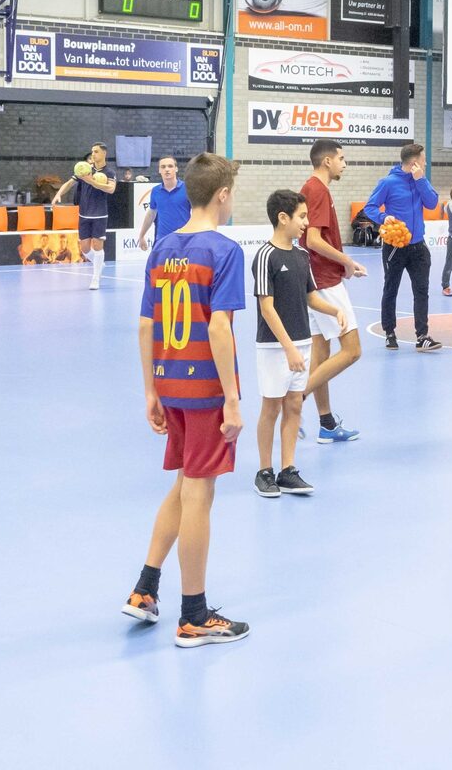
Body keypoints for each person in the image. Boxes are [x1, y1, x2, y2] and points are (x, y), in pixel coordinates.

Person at [123, 153, 249, 648]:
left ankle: (144, 588)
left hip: (169, 382)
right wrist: (232, 398)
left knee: (182, 485)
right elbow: (219, 328)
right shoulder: (224, 251)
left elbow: (145, 324)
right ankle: (193, 615)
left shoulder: (163, 249)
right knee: (199, 493)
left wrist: (150, 390)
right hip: (205, 390)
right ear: (222, 195)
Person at [251, 190, 348, 499]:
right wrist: (288, 348)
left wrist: (334, 310)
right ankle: (264, 471)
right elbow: (267, 308)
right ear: (283, 218)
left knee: (294, 405)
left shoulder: (302, 256)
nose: (306, 222)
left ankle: (287, 470)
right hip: (274, 347)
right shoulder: (265, 256)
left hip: (302, 342)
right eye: (302, 217)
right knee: (271, 407)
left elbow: (310, 297)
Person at [299, 140, 365, 444]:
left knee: (321, 354)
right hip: (324, 281)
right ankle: (296, 398)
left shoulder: (313, 188)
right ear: (327, 161)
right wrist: (346, 261)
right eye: (341, 158)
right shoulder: (318, 190)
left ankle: (326, 423)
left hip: (316, 278)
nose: (344, 164)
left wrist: (344, 264)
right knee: (352, 351)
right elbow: (313, 240)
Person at [362, 143, 442, 353]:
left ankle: (422, 336)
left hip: (418, 247)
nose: (425, 163)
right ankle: (389, 332)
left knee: (422, 291)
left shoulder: (421, 180)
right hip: (395, 248)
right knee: (391, 289)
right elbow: (369, 207)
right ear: (414, 161)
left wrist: (421, 180)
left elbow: (432, 203)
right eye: (423, 159)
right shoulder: (388, 182)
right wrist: (383, 217)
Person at [51, 142, 117, 288]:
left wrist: (92, 182)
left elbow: (111, 189)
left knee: (98, 246)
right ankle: (99, 263)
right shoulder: (85, 169)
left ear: (104, 153)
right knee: (85, 249)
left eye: (96, 151)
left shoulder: (109, 172)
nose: (93, 154)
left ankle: (95, 278)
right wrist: (58, 194)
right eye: (92, 151)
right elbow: (69, 183)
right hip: (84, 214)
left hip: (100, 214)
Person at [137, 155, 192, 251]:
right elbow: (151, 214)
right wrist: (141, 236)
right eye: (163, 167)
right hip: (162, 241)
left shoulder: (188, 189)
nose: (167, 169)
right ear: (159, 170)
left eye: (170, 166)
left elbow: (198, 212)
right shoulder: (155, 191)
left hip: (184, 240)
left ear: (176, 169)